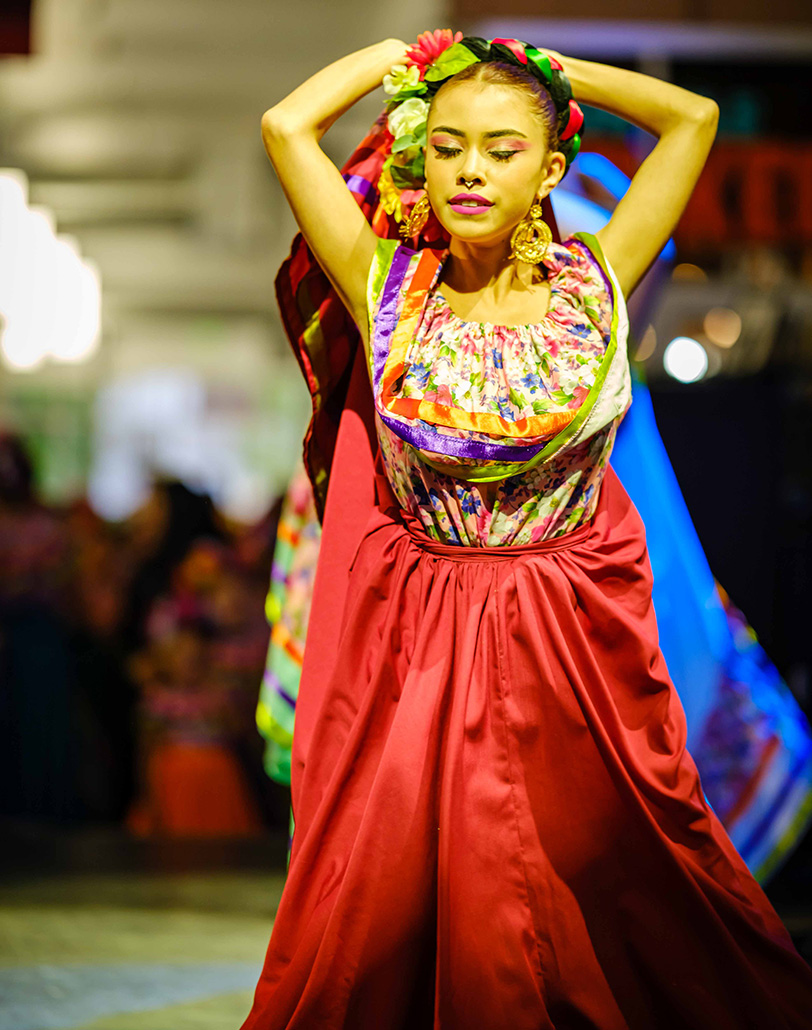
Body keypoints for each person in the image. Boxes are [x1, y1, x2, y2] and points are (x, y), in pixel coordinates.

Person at [242, 31, 812, 1029]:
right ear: (421, 159)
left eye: (502, 149)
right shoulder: (382, 286)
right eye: (449, 145)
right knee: (424, 893)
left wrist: (542, 71)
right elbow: (286, 126)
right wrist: (402, 59)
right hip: (426, 639)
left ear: (549, 166)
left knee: (622, 875)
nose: (469, 169)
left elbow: (693, 120)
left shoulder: (597, 279)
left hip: (570, 636)